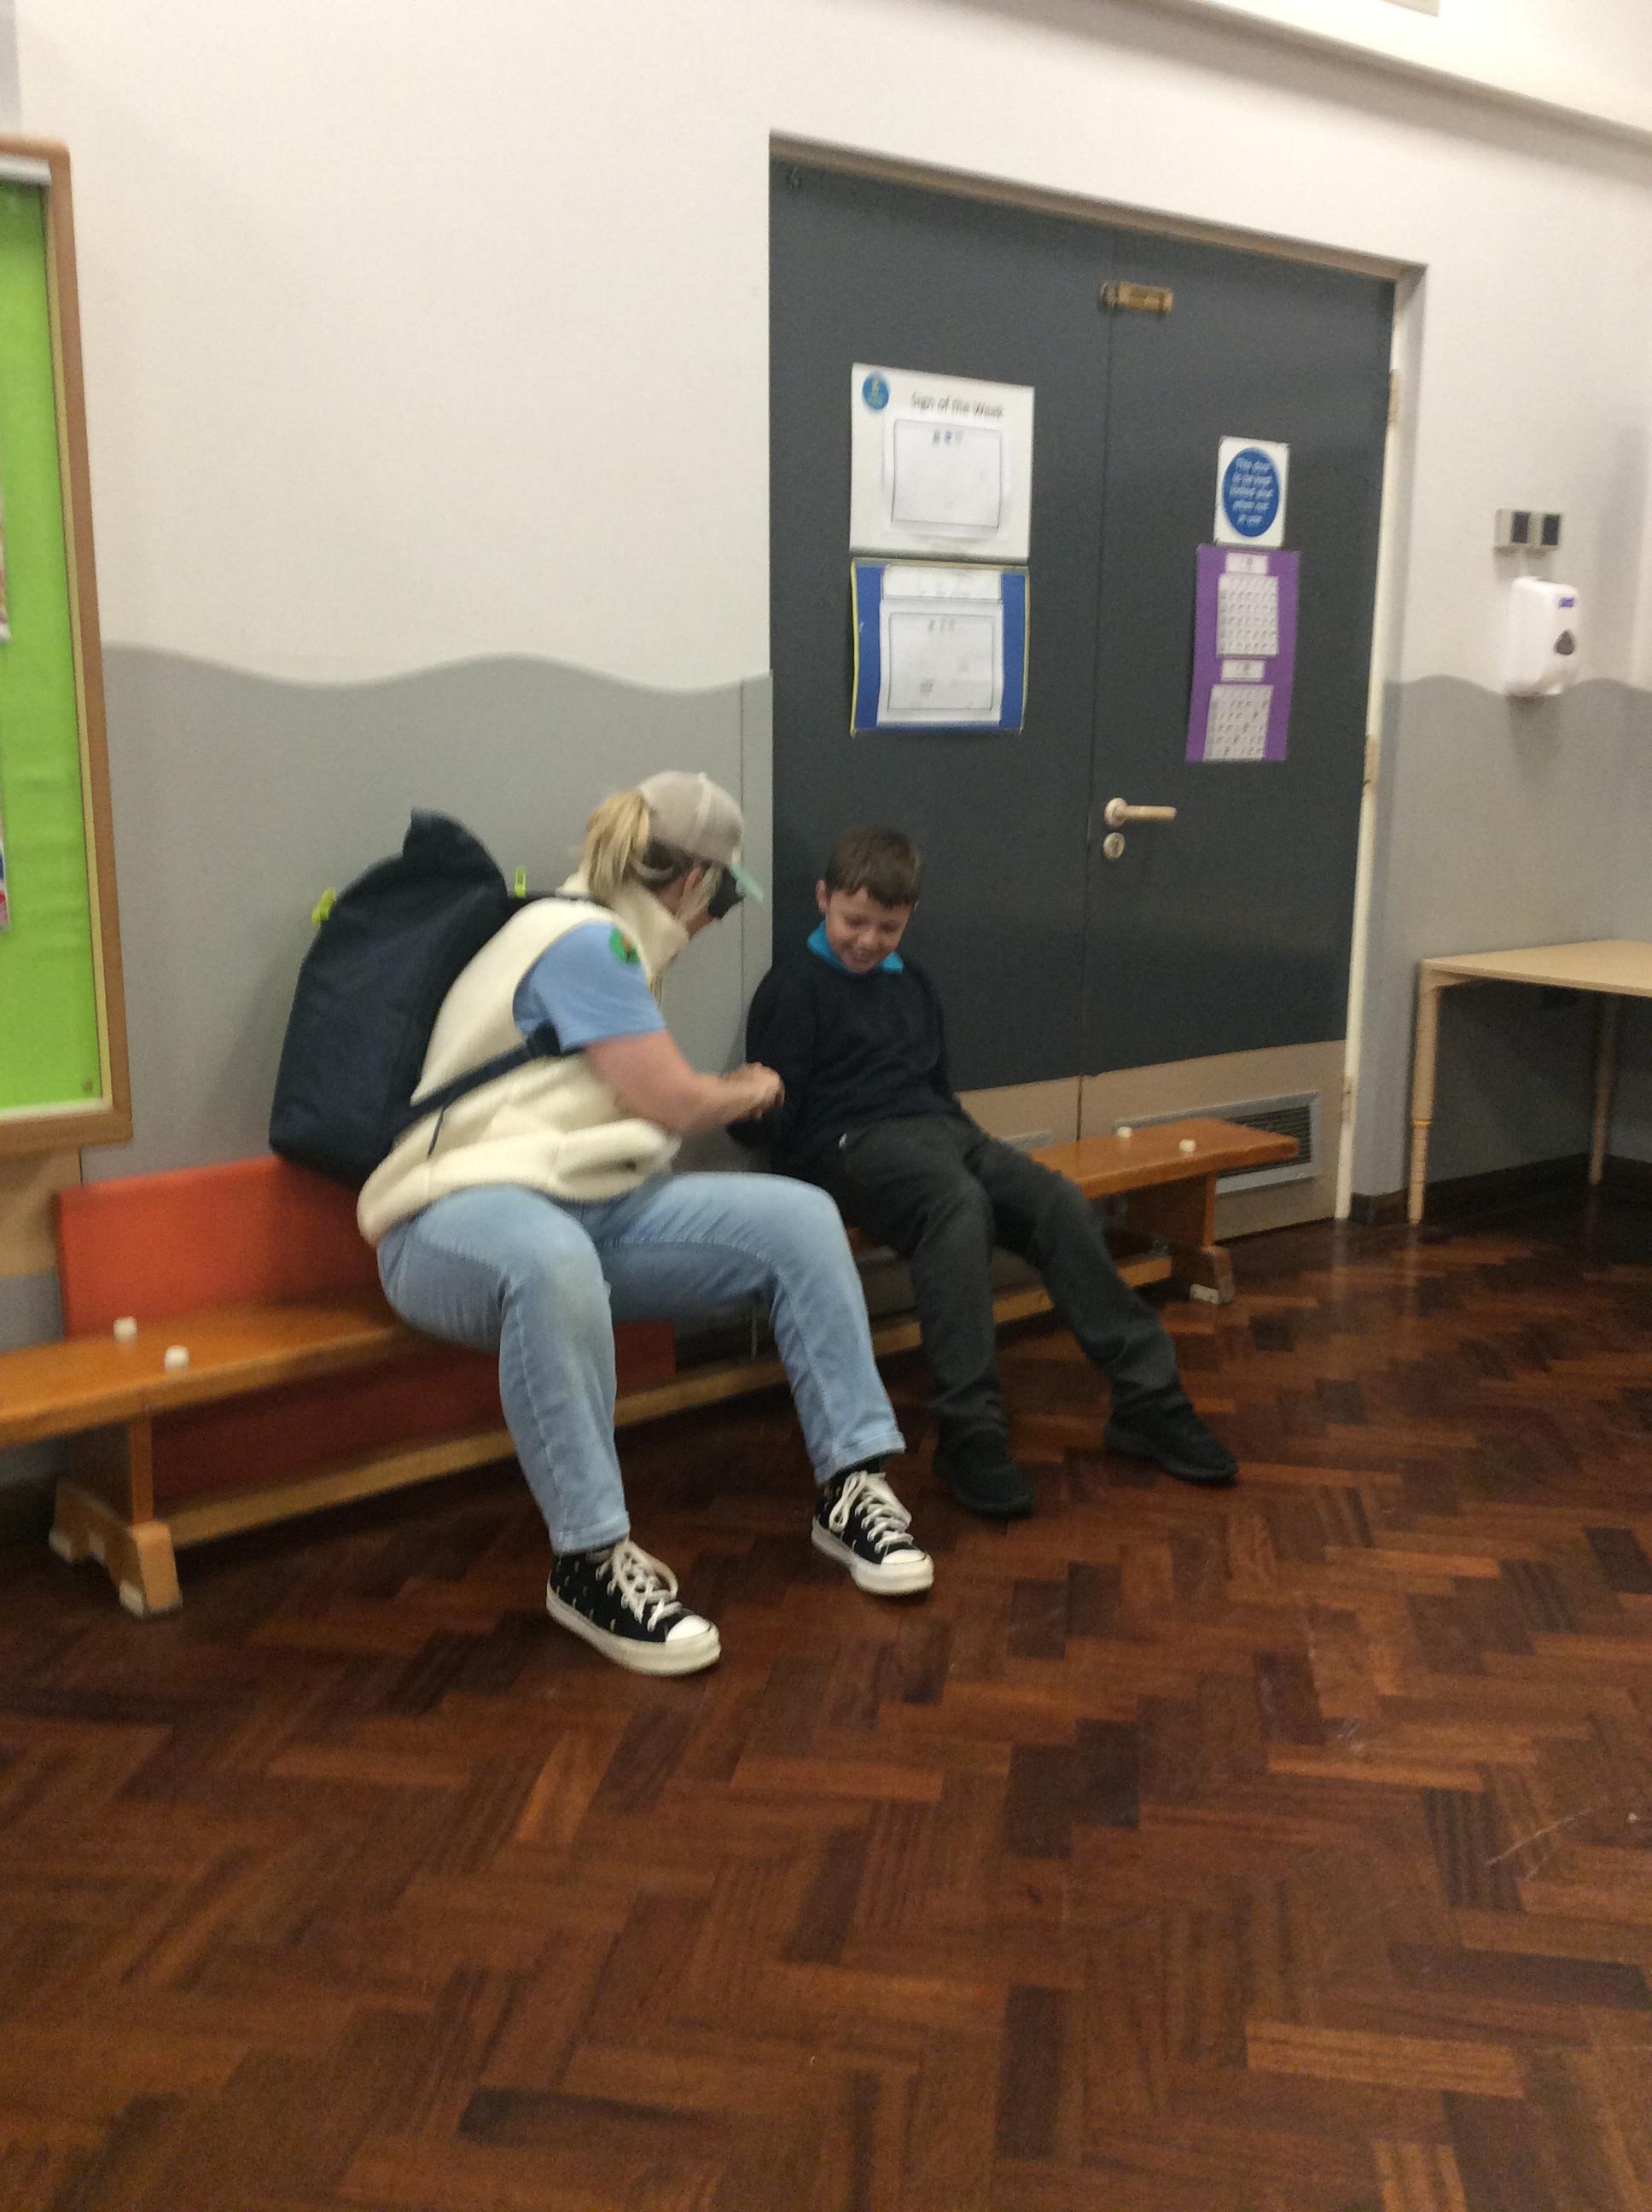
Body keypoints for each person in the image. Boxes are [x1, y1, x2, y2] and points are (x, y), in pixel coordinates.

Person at [358, 775, 931, 1678]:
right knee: (551, 1262)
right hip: (449, 1220)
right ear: (694, 882)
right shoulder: (589, 943)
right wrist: (751, 1086)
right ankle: (589, 1560)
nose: (714, 920)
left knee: (801, 1221)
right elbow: (675, 1101)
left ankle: (852, 1484)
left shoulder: (607, 938)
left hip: (590, 1209)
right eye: (724, 899)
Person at [735, 825, 1238, 1519]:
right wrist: (745, 1112)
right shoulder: (794, 987)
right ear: (824, 899)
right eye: (854, 921)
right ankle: (970, 1434)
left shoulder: (912, 983)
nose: (868, 940)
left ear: (909, 918)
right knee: (957, 1205)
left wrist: (965, 1143)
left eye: (888, 927)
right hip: (848, 1145)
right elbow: (774, 1119)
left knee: (1055, 1201)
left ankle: (1150, 1402)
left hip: (940, 1131)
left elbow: (934, 1085)